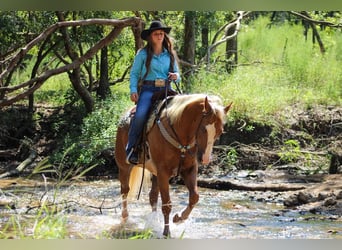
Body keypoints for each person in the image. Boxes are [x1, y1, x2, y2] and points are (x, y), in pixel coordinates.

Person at [126, 20, 181, 165]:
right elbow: (134, 74)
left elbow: (177, 73)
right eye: (156, 34)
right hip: (149, 89)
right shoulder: (142, 54)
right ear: (150, 37)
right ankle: (132, 149)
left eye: (161, 34)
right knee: (140, 116)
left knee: (182, 112)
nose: (159, 36)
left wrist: (176, 76)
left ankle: (185, 149)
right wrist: (133, 90)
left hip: (167, 89)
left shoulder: (169, 54)